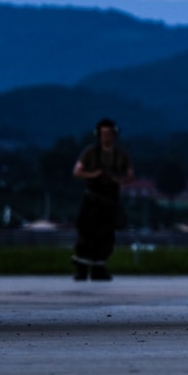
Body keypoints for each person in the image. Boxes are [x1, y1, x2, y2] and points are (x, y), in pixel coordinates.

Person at [71, 118, 133, 281]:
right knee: (86, 233)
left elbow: (130, 174)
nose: (106, 137)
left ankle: (99, 267)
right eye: (103, 133)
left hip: (110, 198)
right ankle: (82, 268)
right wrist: (93, 175)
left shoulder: (120, 154)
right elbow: (77, 171)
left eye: (109, 133)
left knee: (106, 235)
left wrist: (119, 180)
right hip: (92, 198)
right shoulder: (90, 152)